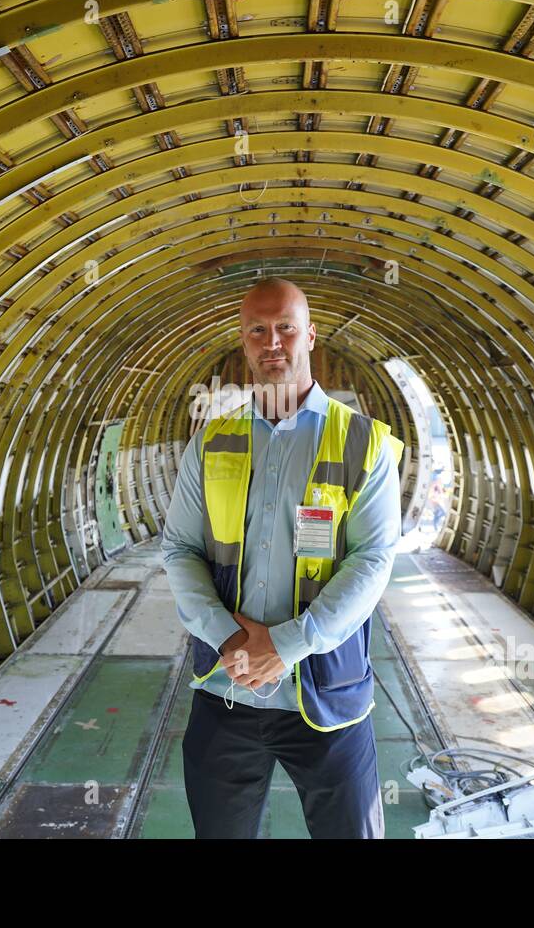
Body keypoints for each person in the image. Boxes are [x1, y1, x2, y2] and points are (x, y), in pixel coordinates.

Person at [160, 277, 403, 838]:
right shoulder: (212, 441)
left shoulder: (364, 442)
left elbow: (372, 559)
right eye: (258, 331)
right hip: (226, 688)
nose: (273, 342)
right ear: (244, 343)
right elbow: (180, 549)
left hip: (326, 697)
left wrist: (286, 646)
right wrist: (230, 640)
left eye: (285, 328)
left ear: (310, 336)